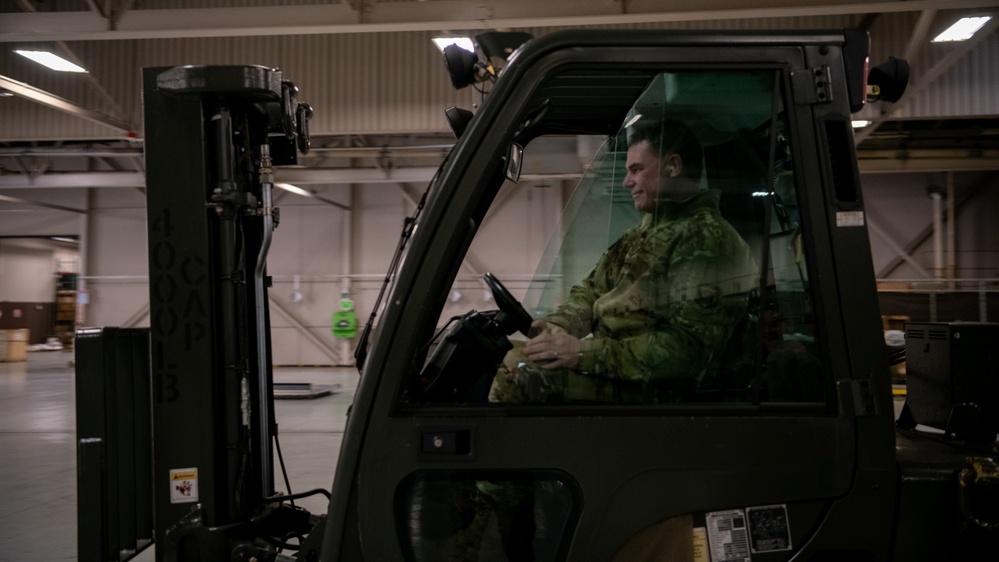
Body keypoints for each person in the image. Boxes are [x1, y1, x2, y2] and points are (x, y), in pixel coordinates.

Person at [489, 119, 758, 404]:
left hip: (657, 392)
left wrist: (581, 353)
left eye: (637, 170)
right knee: (495, 354)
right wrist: (560, 327)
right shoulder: (643, 233)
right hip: (616, 370)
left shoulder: (706, 239)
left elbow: (685, 352)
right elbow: (590, 291)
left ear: (673, 166)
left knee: (518, 372)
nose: (626, 181)